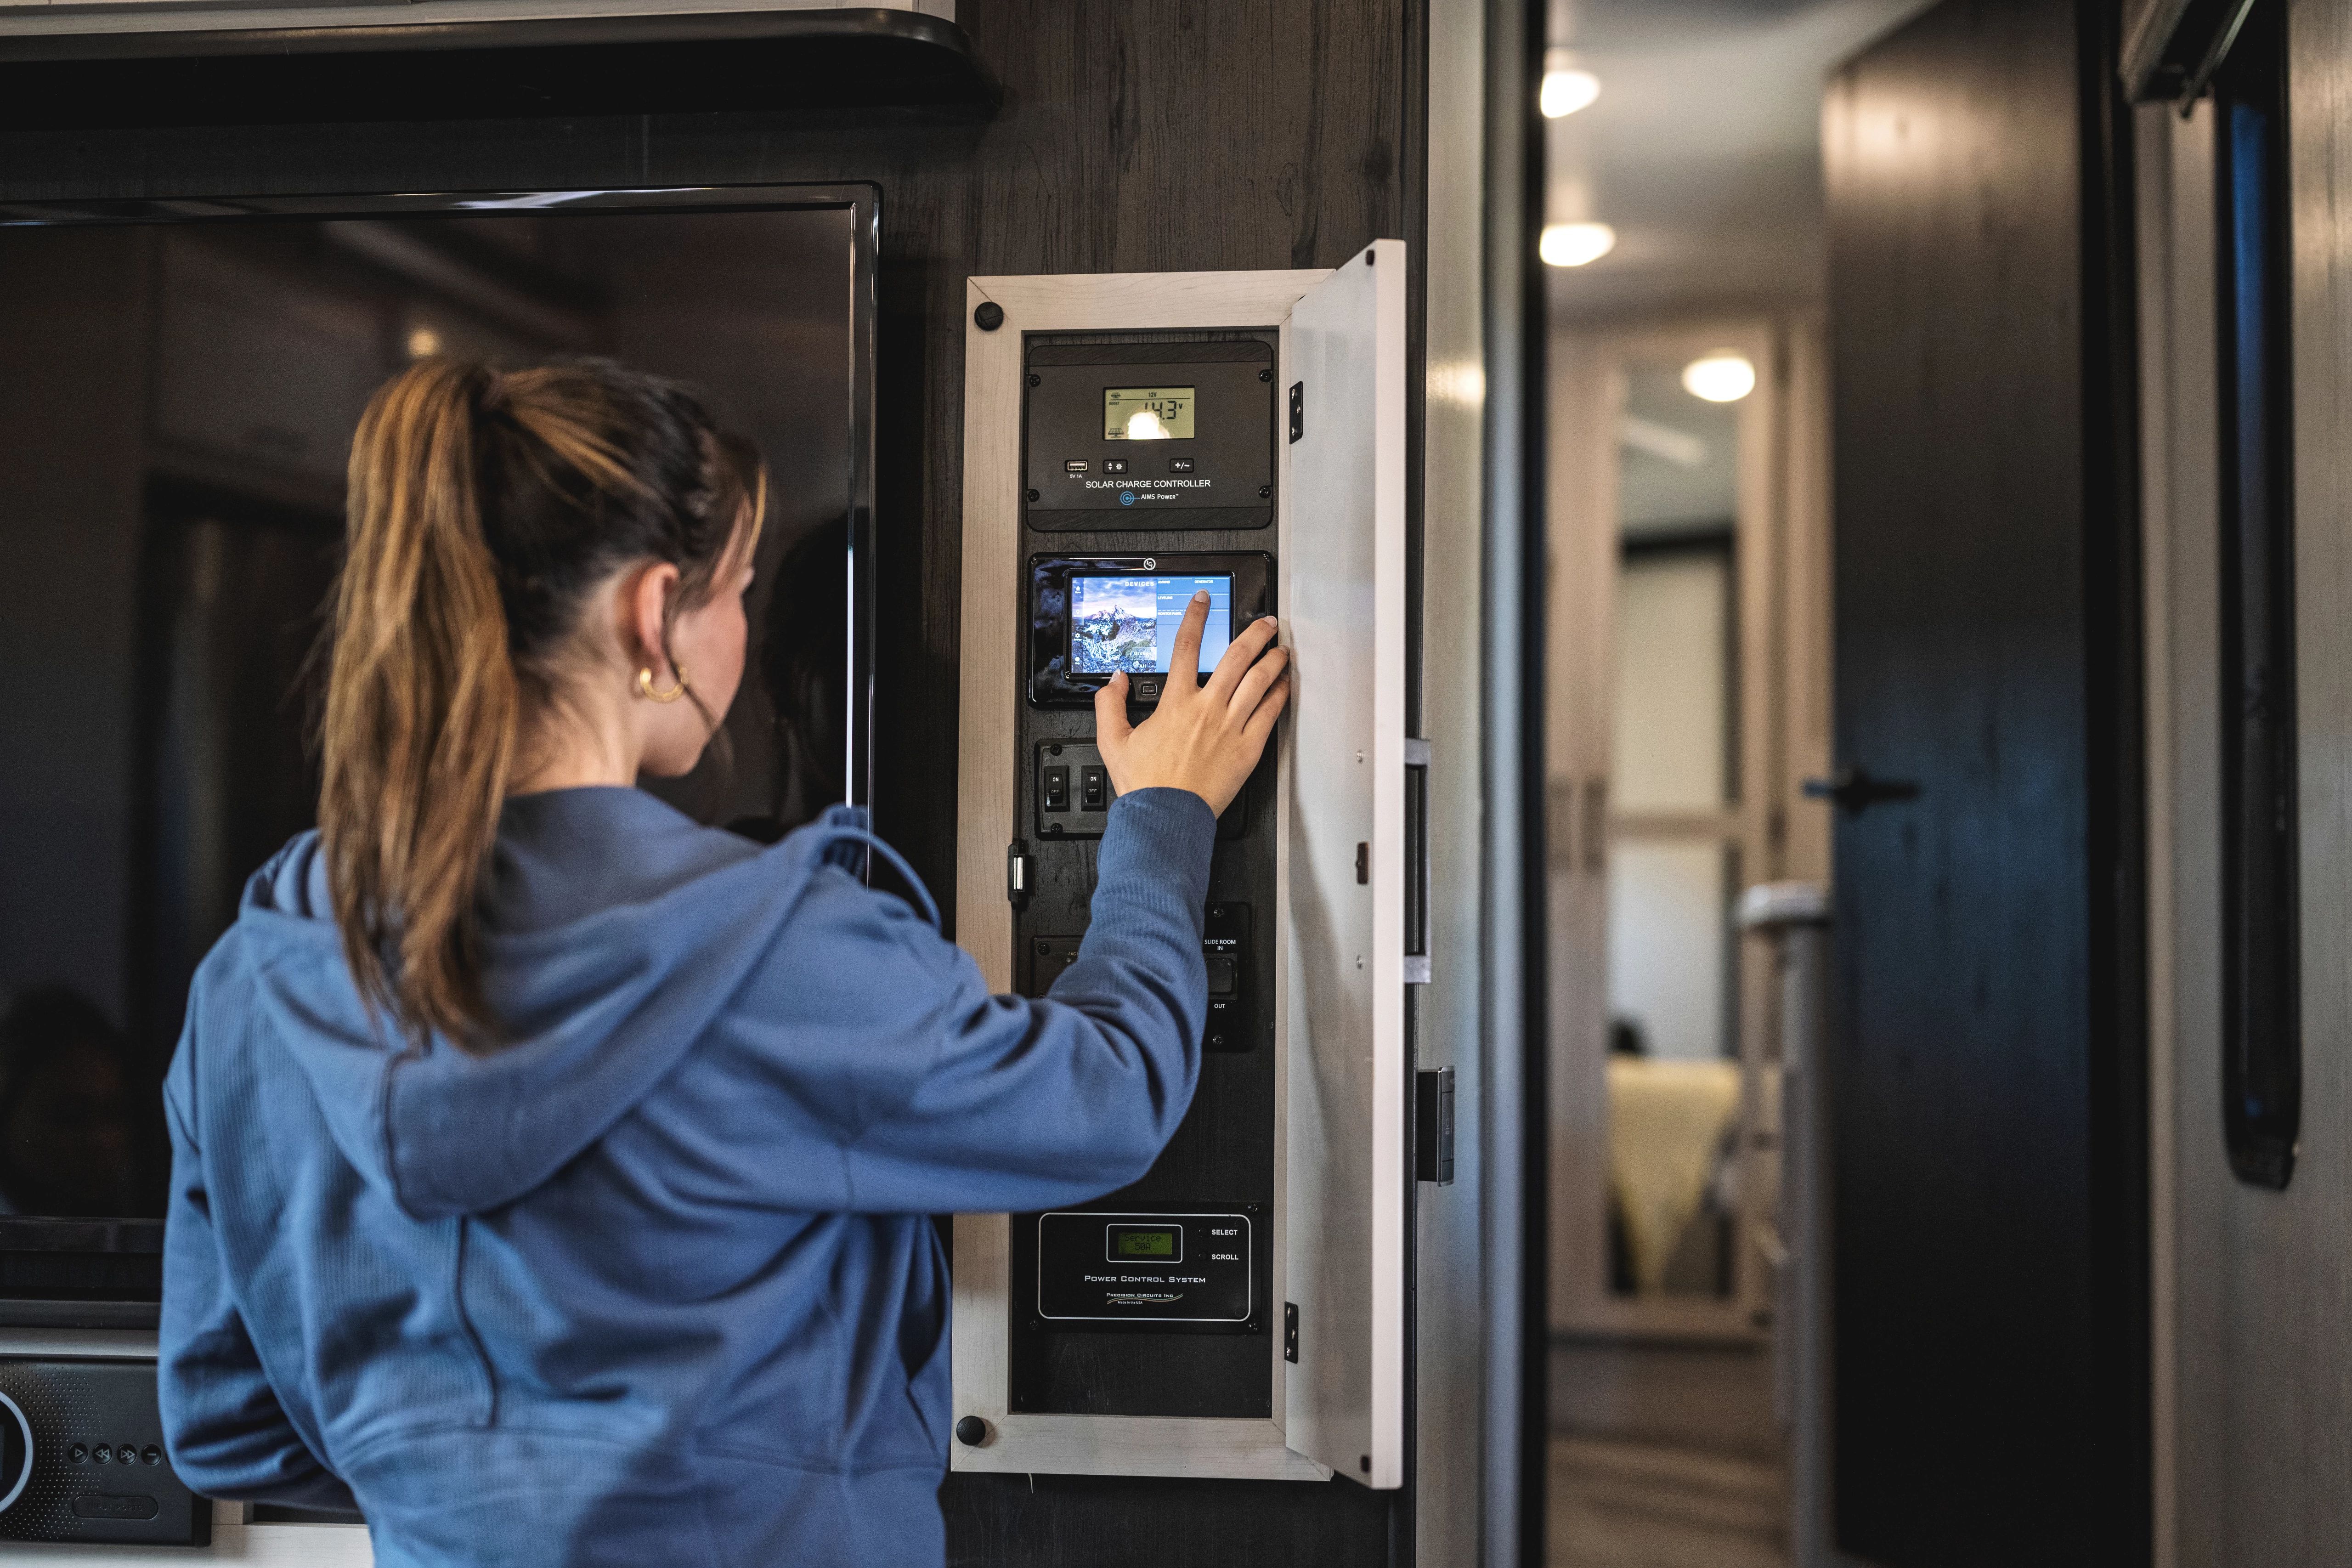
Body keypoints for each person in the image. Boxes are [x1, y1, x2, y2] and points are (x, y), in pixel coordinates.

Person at [155, 358, 1289, 1566]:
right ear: (655, 616)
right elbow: (1105, 1099)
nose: (742, 631)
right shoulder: (771, 947)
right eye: (737, 591)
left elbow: (227, 1427)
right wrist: (1165, 813)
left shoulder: (253, 979)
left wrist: (488, 1488)